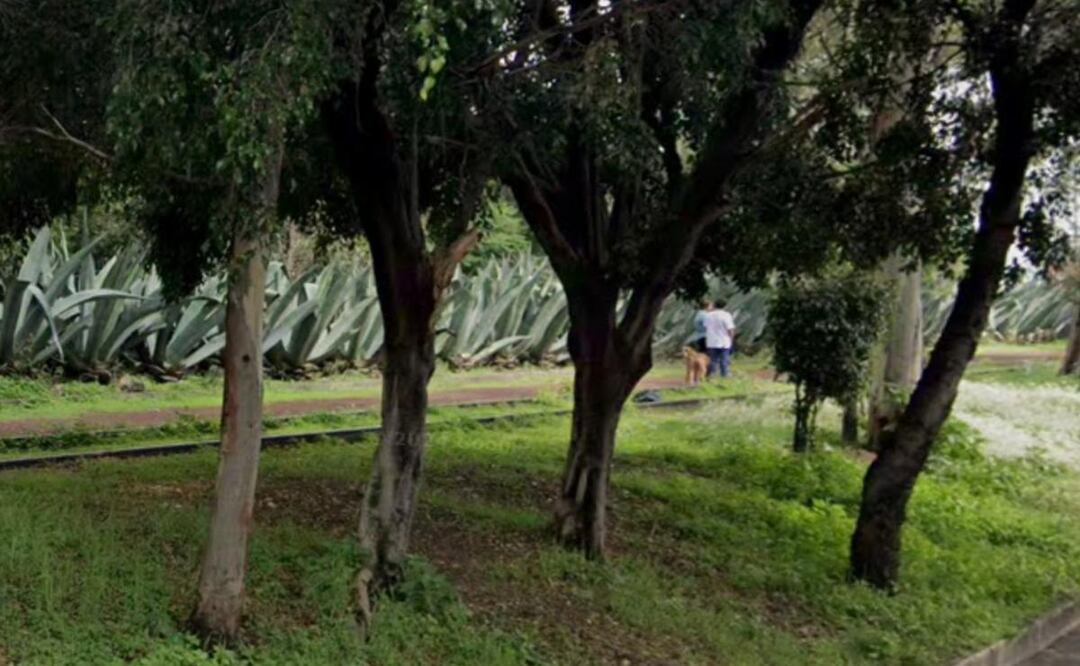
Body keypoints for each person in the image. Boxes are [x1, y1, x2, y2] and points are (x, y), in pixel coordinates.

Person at [703, 299, 736, 378]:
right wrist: (731, 339)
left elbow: (705, 327)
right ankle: (725, 376)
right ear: (725, 306)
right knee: (724, 360)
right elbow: (730, 329)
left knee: (713, 360)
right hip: (724, 341)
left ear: (714, 305)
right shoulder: (726, 315)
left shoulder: (708, 315)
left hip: (711, 342)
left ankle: (712, 376)